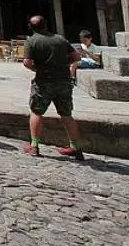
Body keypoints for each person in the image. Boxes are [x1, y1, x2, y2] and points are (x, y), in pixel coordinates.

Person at [22, 15, 85, 160]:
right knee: (66, 115)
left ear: (30, 27)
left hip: (44, 81)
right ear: (46, 25)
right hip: (63, 81)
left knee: (36, 112)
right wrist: (63, 64)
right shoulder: (60, 39)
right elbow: (76, 56)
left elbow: (27, 62)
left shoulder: (32, 41)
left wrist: (37, 69)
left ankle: (34, 145)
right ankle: (76, 147)